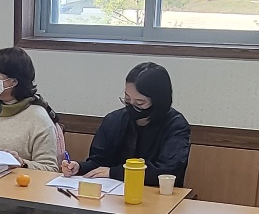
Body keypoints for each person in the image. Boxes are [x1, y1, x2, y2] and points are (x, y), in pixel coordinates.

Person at [61, 62, 191, 186]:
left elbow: (167, 171)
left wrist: (114, 172)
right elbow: (98, 162)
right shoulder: (113, 120)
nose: (132, 106)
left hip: (157, 195)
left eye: (140, 103)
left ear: (159, 101)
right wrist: (79, 167)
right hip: (111, 195)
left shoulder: (176, 126)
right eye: (127, 99)